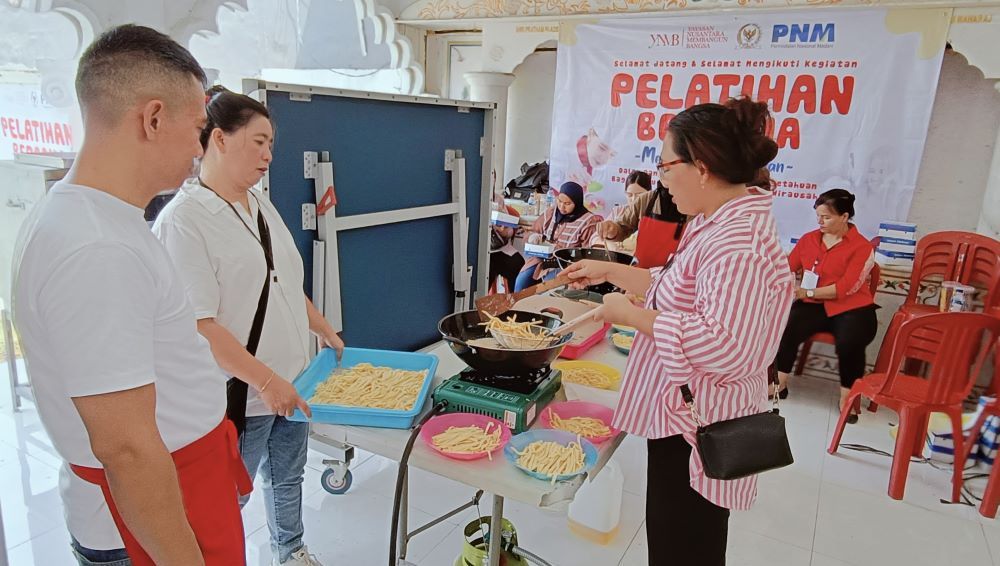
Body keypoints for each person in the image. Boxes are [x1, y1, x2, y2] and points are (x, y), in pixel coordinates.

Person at [11, 24, 250, 566]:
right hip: (147, 521)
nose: (198, 147)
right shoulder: (95, 248)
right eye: (196, 128)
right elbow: (126, 448)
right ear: (152, 117)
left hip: (180, 482)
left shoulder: (94, 218)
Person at [564, 98, 793, 566]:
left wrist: (628, 317)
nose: (662, 179)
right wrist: (614, 273)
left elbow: (724, 344)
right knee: (674, 539)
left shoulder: (738, 243)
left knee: (684, 547)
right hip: (682, 410)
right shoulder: (713, 221)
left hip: (701, 423)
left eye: (667, 166)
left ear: (702, 168)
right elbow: (680, 288)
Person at [154, 87, 343, 566]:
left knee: (288, 475)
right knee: (226, 497)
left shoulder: (258, 204)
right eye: (258, 141)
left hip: (291, 383)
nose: (268, 154)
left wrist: (321, 326)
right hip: (237, 395)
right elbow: (201, 324)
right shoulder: (186, 221)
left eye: (271, 144)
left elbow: (278, 279)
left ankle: (290, 549)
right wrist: (263, 380)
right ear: (218, 138)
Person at [772, 189, 878, 422]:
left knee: (850, 342)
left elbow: (846, 288)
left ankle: (847, 397)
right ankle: (779, 383)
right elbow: (787, 267)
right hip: (813, 304)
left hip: (852, 306)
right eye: (818, 216)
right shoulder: (809, 239)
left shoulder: (862, 247)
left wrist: (806, 291)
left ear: (844, 216)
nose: (820, 221)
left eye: (826, 217)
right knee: (787, 326)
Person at [514, 181, 602, 291]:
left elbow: (588, 253)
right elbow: (532, 231)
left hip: (566, 266)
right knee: (521, 283)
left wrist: (562, 251)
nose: (561, 206)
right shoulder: (552, 212)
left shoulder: (588, 221)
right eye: (560, 201)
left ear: (577, 202)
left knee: (548, 289)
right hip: (540, 260)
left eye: (567, 204)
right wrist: (533, 237)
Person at [597, 173, 687, 268]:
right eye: (662, 166)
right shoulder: (645, 200)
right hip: (640, 271)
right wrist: (613, 230)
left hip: (674, 275)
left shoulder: (693, 206)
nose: (633, 198)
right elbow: (622, 227)